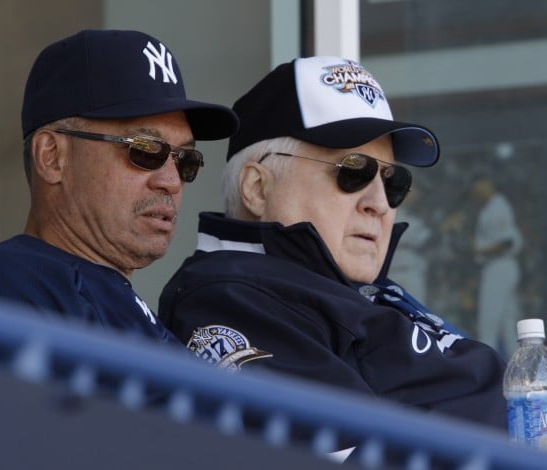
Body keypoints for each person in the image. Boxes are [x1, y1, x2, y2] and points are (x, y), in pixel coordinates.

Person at [159, 56, 507, 429]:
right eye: (353, 172)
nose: (380, 204)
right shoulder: (230, 298)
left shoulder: (354, 289)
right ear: (258, 189)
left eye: (392, 181)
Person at [0, 29, 238, 345]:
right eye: (146, 150)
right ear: (52, 157)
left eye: (184, 159)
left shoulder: (112, 300)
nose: (171, 181)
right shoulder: (11, 287)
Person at [471, 172, 523, 359]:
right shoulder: (490, 207)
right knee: (508, 325)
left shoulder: (498, 206)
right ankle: (520, 372)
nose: (476, 190)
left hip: (499, 267)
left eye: (478, 185)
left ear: (487, 183)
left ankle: (486, 374)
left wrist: (480, 251)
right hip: (500, 268)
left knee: (488, 325)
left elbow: (506, 242)